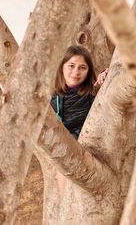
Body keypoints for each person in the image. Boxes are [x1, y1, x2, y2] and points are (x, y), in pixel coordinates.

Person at [50, 45, 108, 195]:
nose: (76, 72)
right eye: (71, 66)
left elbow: (104, 86)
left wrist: (105, 75)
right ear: (62, 67)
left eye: (82, 67)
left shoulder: (91, 92)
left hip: (90, 147)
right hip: (67, 150)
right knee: (63, 173)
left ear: (88, 71)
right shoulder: (53, 96)